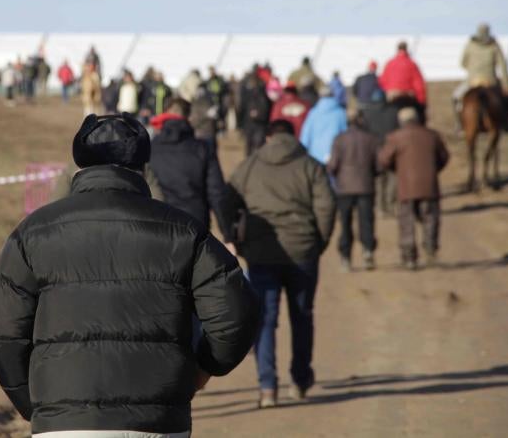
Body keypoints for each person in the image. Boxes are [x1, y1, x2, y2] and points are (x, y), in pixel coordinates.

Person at [0, 113, 258, 437]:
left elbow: (3, 331)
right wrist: (203, 370)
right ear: (143, 164)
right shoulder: (183, 230)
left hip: (65, 424)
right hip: (157, 421)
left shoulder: (32, 233)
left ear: (80, 163)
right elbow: (235, 312)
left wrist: (35, 404)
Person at [222, 119, 335, 408]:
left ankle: (267, 387)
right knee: (302, 316)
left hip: (261, 254)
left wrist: (236, 237)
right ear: (293, 136)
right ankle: (299, 380)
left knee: (264, 321)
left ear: (269, 136)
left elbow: (226, 200)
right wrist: (317, 242)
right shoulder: (310, 165)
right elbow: (326, 206)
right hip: (302, 252)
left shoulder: (250, 165)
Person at [378, 107, 449, 270]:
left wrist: (397, 170)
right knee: (430, 218)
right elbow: (444, 157)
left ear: (401, 121)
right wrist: (433, 169)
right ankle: (430, 250)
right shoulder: (432, 136)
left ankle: (409, 257)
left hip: (406, 187)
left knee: (406, 221)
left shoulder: (395, 137)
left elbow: (383, 160)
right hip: (429, 186)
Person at [149, 99, 225, 229]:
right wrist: (227, 232)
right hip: (195, 222)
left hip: (159, 223)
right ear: (188, 117)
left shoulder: (150, 148)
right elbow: (216, 193)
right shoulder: (203, 148)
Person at [327, 111, 382, 271]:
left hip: (344, 188)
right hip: (366, 186)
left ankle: (346, 257)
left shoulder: (339, 139)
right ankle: (368, 251)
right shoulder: (371, 139)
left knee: (345, 224)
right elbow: (379, 166)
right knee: (367, 221)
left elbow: (333, 165)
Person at [455, 23, 508, 132]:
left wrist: (473, 69)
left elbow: (462, 63)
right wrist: (506, 86)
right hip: (490, 82)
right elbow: (503, 66)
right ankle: (506, 123)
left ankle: (460, 124)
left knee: (455, 98)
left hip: (471, 82)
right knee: (507, 99)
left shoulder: (470, 44)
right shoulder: (494, 45)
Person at [360, 89, 400, 215]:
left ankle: (380, 207)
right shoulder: (394, 111)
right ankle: (391, 204)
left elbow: (364, 133)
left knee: (378, 179)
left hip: (375, 151)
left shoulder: (367, 113)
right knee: (393, 177)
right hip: (391, 149)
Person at [299, 86, 347, 164]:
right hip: (335, 153)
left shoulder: (313, 112)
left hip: (315, 153)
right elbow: (345, 132)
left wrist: (302, 151)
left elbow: (306, 134)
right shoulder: (341, 112)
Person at [380, 41, 426, 122]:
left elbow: (383, 82)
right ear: (406, 49)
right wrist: (422, 103)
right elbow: (419, 85)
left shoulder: (390, 63)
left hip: (392, 100)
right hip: (408, 99)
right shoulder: (412, 63)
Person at [239, 66, 272, 156]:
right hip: (257, 123)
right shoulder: (263, 91)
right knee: (256, 146)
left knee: (252, 146)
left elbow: (242, 107)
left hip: (253, 122)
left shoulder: (247, 89)